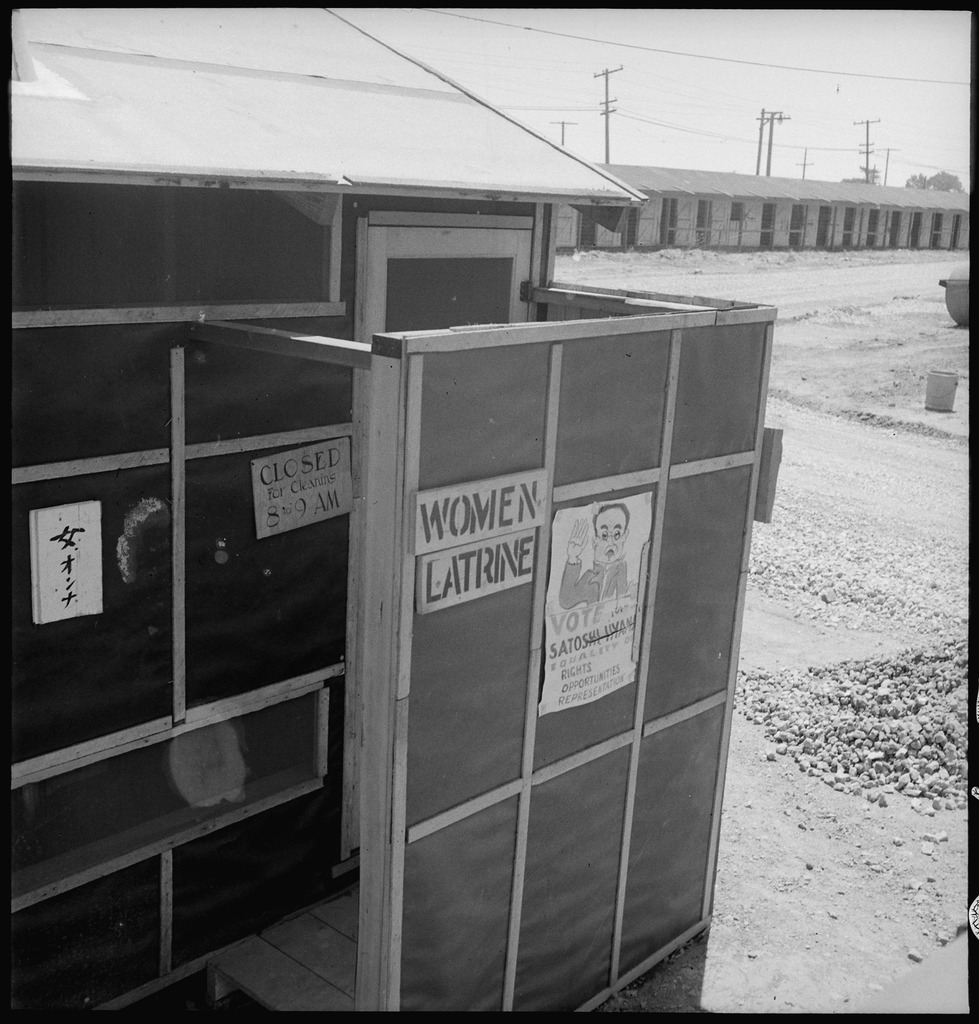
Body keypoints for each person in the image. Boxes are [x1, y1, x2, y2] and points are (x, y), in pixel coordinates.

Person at [559, 502, 630, 609]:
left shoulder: (625, 572)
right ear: (595, 541)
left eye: (617, 534)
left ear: (625, 536)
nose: (611, 542)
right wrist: (573, 557)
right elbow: (566, 601)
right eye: (604, 535)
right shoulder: (590, 577)